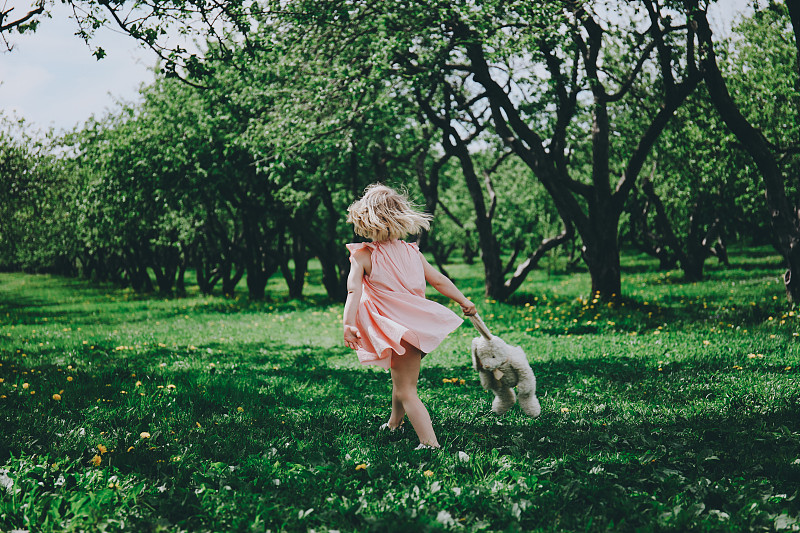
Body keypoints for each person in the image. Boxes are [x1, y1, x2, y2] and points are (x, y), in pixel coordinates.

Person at [342, 183, 477, 450]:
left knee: (406, 389)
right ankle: (394, 423)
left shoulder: (363, 255)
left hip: (399, 330)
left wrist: (348, 322)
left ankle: (429, 443)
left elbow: (353, 289)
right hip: (419, 328)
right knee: (401, 378)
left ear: (366, 219)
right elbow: (438, 280)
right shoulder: (412, 252)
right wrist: (463, 300)